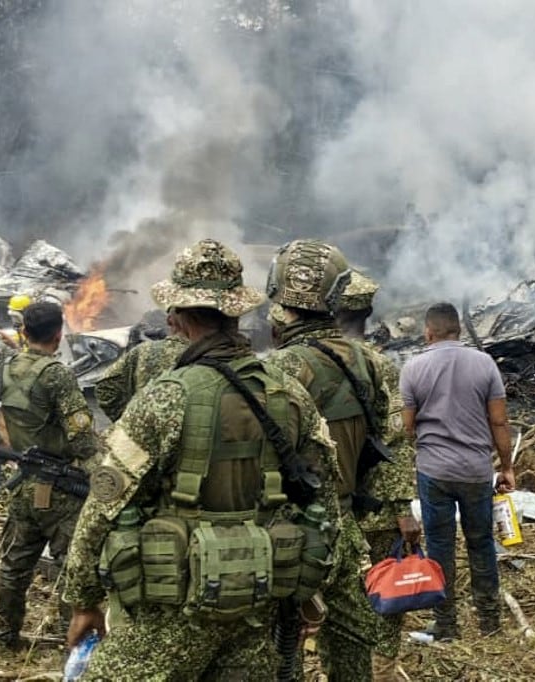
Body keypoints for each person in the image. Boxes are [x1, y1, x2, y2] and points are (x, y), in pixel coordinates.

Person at [62, 239, 341, 679]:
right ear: (237, 314)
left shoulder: (164, 398)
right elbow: (326, 503)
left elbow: (103, 501)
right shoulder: (290, 396)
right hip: (255, 604)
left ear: (176, 319)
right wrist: (310, 589)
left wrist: (82, 599)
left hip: (170, 611)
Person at [266, 240, 420, 681]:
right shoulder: (370, 364)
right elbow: (393, 441)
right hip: (347, 526)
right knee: (351, 641)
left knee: (282, 645)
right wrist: (396, 510)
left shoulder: (274, 371)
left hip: (287, 533)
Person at [0, 301, 99, 651]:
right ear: (59, 334)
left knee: (14, 566)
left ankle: (6, 639)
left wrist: (5, 444)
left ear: (23, 331)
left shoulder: (4, 367)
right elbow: (83, 439)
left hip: (24, 481)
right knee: (71, 567)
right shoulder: (58, 373)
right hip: (62, 489)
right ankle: (71, 643)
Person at [399, 302, 515, 640]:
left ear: (428, 332)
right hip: (476, 472)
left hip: (434, 472)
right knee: (481, 543)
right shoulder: (484, 364)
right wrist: (506, 467)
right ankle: (490, 623)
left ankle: (447, 627)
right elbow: (499, 420)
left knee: (439, 546)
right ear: (459, 331)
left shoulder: (413, 368)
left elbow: (406, 427)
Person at [335, 269, 418, 680]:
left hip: (330, 513)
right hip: (380, 509)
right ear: (367, 313)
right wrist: (404, 508)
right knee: (386, 596)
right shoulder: (380, 366)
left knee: (338, 603)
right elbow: (397, 440)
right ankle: (382, 670)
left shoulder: (308, 365)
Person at [94, 310, 187, 422]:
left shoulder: (144, 351)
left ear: (171, 321)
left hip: (144, 429)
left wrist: (127, 420)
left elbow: (105, 386)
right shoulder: (208, 353)